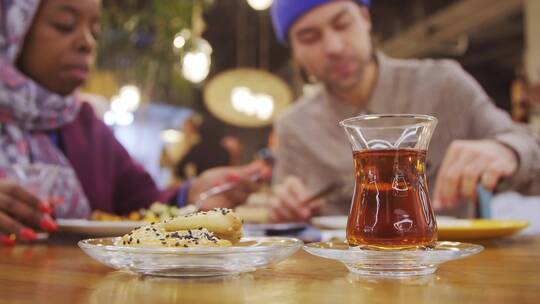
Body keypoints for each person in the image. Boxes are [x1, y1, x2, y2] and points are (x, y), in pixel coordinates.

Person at [0, 0, 265, 246]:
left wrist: (193, 193)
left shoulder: (87, 125)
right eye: (65, 26)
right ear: (13, 28)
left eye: (95, 30)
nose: (86, 42)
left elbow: (142, 205)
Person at [268, 0, 540, 222]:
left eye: (343, 24)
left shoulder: (444, 84)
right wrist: (286, 208)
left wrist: (508, 151)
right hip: (343, 273)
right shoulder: (294, 126)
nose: (334, 47)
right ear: (294, 51)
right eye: (309, 37)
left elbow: (530, 152)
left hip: (448, 266)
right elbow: (286, 214)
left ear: (365, 19)